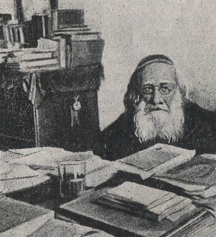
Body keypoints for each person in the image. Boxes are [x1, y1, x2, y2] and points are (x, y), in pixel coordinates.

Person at [93, 55, 216, 161]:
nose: (156, 99)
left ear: (178, 90)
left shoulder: (205, 122)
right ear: (137, 92)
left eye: (165, 88)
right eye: (148, 89)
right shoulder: (124, 124)